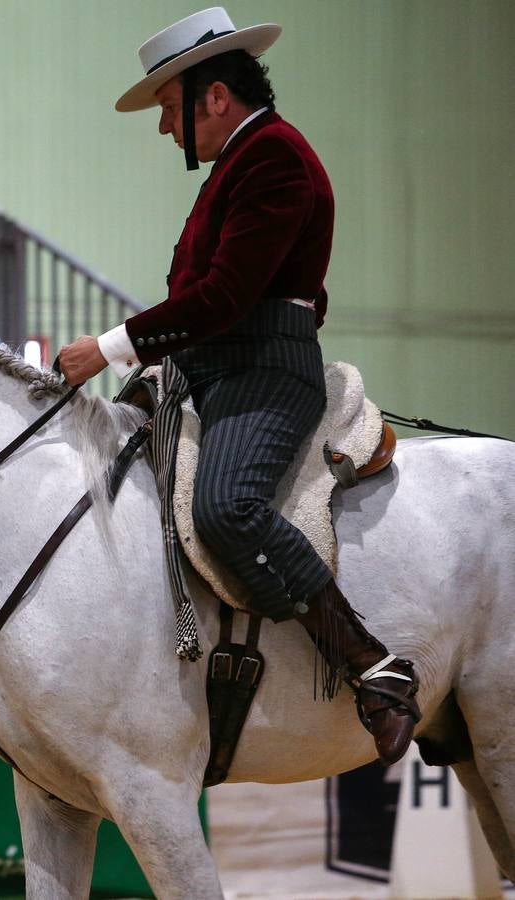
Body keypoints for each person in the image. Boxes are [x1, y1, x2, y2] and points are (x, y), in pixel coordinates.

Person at [54, 8, 419, 763]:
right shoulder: (240, 165)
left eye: (167, 110)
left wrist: (110, 347)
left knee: (226, 508)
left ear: (213, 97)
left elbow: (220, 298)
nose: (165, 130)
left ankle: (374, 666)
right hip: (208, 367)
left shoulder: (276, 160)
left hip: (263, 373)